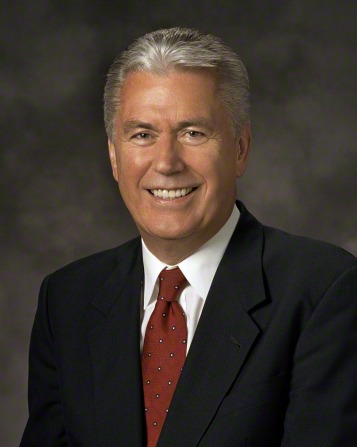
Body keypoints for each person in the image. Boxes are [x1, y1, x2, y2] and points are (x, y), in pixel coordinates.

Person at [20, 27, 357, 447]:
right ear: (114, 156)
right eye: (142, 134)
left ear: (240, 148)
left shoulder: (324, 290)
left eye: (193, 132)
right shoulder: (66, 299)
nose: (166, 162)